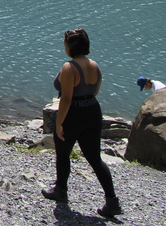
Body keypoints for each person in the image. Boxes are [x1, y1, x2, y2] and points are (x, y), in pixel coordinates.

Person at [44, 28, 121, 218]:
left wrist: (60, 122)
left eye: (65, 44)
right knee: (95, 158)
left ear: (70, 46)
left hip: (74, 113)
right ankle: (112, 201)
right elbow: (94, 91)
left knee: (63, 152)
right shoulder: (95, 66)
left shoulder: (69, 67)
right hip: (93, 111)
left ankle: (61, 190)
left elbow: (67, 99)